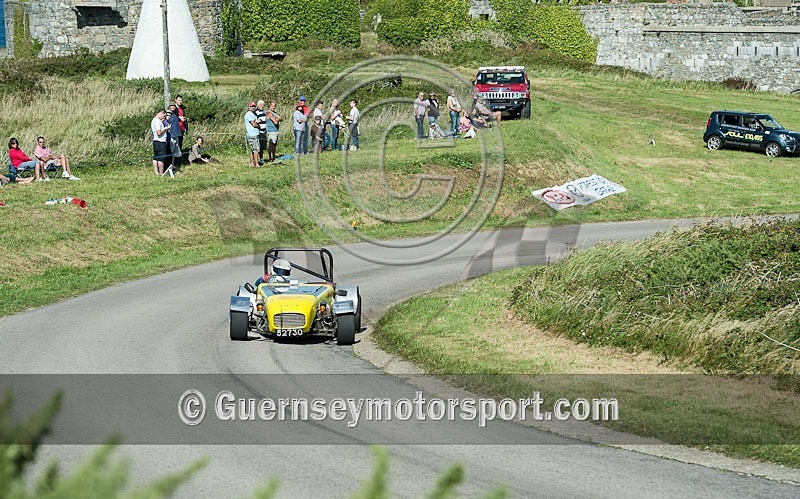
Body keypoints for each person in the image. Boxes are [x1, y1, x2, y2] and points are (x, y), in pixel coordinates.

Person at [151, 109, 169, 175]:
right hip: (160, 141)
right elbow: (159, 133)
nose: (164, 118)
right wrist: (165, 129)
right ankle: (161, 173)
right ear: (161, 113)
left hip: (155, 141)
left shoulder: (154, 120)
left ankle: (156, 172)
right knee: (161, 158)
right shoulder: (158, 121)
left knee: (156, 157)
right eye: (164, 116)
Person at [167, 103, 183, 172]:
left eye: (174, 106)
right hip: (172, 135)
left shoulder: (175, 114)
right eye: (171, 106)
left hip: (177, 134)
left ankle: (173, 166)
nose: (173, 107)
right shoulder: (168, 114)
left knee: (175, 151)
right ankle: (169, 167)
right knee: (171, 151)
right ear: (169, 107)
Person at [244, 101, 260, 167]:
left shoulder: (253, 114)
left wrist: (257, 121)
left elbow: (253, 122)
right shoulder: (249, 114)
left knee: (253, 149)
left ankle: (251, 163)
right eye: (251, 106)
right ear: (249, 107)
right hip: (252, 134)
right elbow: (253, 124)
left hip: (254, 133)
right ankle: (256, 163)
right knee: (256, 149)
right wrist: (258, 125)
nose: (253, 107)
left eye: (254, 106)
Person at [255, 100, 268, 165]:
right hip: (259, 132)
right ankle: (256, 160)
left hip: (264, 131)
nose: (262, 106)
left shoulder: (264, 112)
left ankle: (261, 159)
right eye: (261, 105)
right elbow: (254, 120)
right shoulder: (256, 112)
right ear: (258, 105)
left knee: (263, 147)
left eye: (263, 105)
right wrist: (257, 121)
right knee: (258, 147)